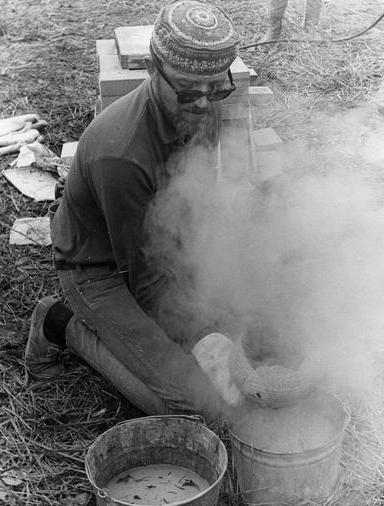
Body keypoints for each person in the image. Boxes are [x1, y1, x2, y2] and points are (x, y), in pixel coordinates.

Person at [25, 0, 242, 424]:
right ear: (151, 69)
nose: (203, 104)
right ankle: (62, 322)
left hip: (156, 248)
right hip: (100, 268)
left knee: (234, 327)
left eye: (216, 88)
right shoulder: (121, 155)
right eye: (187, 90)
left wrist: (220, 303)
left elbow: (195, 208)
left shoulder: (203, 103)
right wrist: (199, 334)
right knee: (196, 405)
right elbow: (143, 275)